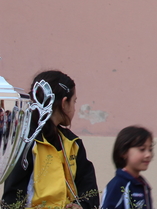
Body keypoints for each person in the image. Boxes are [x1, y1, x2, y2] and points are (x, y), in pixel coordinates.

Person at [3, 70, 99, 209]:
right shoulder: (27, 141)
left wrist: (81, 206)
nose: (74, 108)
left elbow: (90, 192)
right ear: (64, 103)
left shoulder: (73, 143)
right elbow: (12, 199)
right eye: (74, 101)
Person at [100, 126, 154, 209]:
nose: (148, 155)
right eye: (142, 149)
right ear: (124, 152)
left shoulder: (143, 185)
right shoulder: (119, 184)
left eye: (150, 149)